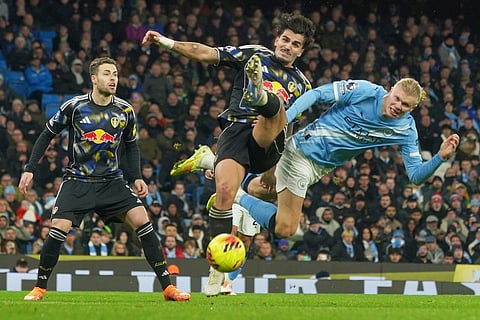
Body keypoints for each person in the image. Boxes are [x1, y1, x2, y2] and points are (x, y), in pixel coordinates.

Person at [142, 13, 315, 295]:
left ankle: (260, 96)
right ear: (276, 39)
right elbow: (206, 53)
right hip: (236, 132)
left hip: (268, 142)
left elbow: (289, 127)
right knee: (223, 192)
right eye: (285, 39)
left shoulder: (302, 85)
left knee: (272, 113)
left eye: (296, 44)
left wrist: (275, 168)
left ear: (301, 51)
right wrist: (167, 42)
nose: (288, 46)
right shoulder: (253, 55)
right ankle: (216, 271)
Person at [18, 57, 190, 302]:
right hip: (78, 181)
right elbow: (47, 135)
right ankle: (39, 288)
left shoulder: (125, 110)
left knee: (143, 220)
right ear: (94, 78)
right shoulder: (74, 107)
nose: (113, 79)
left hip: (112, 182)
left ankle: (168, 287)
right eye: (107, 74)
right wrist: (30, 168)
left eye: (116, 74)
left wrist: (137, 177)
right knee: (57, 230)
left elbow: (131, 147)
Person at [235, 78, 460, 241]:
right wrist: (283, 122)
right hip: (303, 153)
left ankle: (223, 172)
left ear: (413, 108)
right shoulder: (364, 91)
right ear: (390, 90)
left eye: (405, 105)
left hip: (319, 168)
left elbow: (416, 176)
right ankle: (235, 194)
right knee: (286, 229)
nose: (398, 106)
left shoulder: (406, 130)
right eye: (397, 98)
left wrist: (440, 157)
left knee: (262, 190)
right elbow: (316, 95)